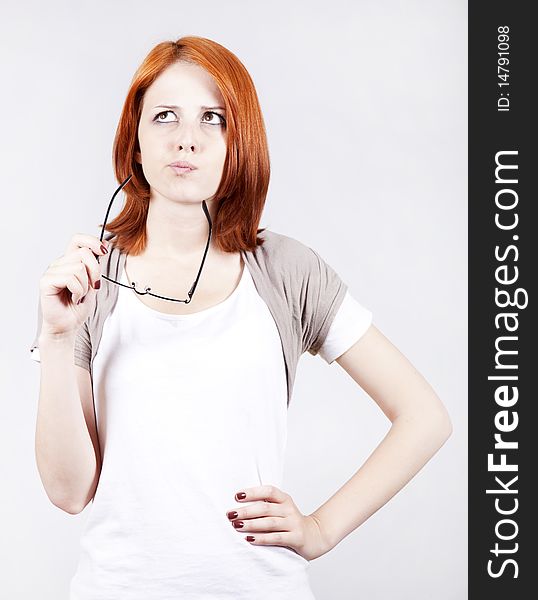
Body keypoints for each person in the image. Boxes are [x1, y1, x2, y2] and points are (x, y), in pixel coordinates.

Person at [30, 36, 453, 600]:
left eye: (213, 119)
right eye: (164, 117)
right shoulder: (89, 278)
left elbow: (425, 416)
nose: (187, 139)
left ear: (239, 141)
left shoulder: (285, 271)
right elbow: (69, 491)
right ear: (134, 141)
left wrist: (321, 529)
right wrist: (58, 339)